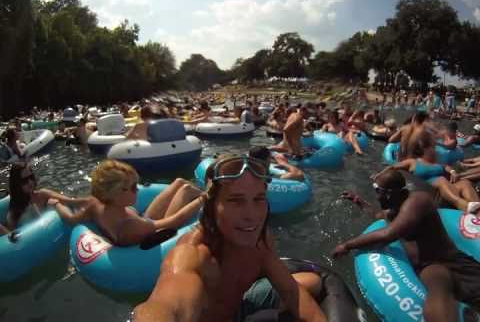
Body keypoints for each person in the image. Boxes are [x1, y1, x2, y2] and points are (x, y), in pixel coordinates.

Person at [133, 155, 326, 321]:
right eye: (235, 201)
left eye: (258, 199)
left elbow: (291, 292)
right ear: (212, 206)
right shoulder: (193, 253)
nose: (251, 215)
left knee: (312, 282)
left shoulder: (260, 239)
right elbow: (166, 307)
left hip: (236, 310)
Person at [334, 170, 480, 321]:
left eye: (377, 191)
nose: (376, 196)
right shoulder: (394, 210)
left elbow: (389, 233)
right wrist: (359, 201)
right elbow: (378, 215)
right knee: (438, 284)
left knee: (443, 283)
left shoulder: (418, 201)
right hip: (432, 268)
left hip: (452, 263)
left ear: (387, 194)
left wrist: (347, 245)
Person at [52, 159, 204, 246]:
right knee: (186, 190)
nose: (137, 190)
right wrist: (203, 199)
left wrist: (56, 203)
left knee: (178, 182)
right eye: (132, 187)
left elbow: (71, 218)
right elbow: (173, 222)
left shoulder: (95, 204)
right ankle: (209, 193)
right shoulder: (130, 226)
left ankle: (202, 190)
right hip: (155, 233)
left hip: (145, 220)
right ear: (116, 193)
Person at [375, 132, 480, 216]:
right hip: (430, 190)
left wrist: (453, 172)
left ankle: (478, 213)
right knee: (441, 180)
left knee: (465, 183)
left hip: (446, 189)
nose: (434, 150)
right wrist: (379, 175)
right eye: (431, 148)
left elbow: (446, 167)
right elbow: (393, 166)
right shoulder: (412, 162)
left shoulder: (435, 162)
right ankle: (463, 205)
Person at [2, 162, 77, 234]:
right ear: (16, 184)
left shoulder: (43, 194)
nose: (30, 182)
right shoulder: (14, 212)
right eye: (24, 180)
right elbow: (11, 239)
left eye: (31, 177)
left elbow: (70, 202)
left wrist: (57, 204)